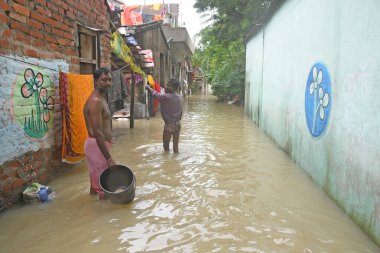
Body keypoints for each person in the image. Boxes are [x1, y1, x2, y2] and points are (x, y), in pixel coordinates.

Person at [83, 67, 116, 198]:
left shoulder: (101, 99)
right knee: (104, 188)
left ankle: (92, 208)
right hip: (96, 146)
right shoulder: (96, 101)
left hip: (99, 146)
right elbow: (97, 132)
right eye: (104, 80)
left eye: (110, 80)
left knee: (96, 184)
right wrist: (108, 158)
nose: (108, 83)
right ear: (96, 81)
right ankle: (102, 215)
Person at [146, 77, 182, 153]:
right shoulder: (178, 97)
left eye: (168, 85)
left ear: (174, 88)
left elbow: (156, 95)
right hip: (178, 123)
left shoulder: (166, 97)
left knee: (166, 146)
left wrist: (149, 88)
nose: (166, 86)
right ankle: (174, 162)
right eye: (167, 84)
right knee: (176, 147)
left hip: (169, 125)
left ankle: (166, 160)